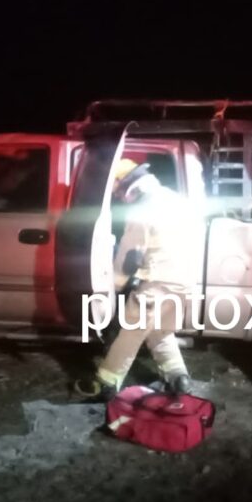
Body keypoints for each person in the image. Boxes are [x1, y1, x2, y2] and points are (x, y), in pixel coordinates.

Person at [73, 159, 203, 399]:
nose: (121, 198)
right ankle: (178, 377)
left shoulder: (143, 208)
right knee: (160, 332)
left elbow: (130, 256)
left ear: (128, 186)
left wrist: (114, 287)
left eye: (119, 192)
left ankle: (106, 382)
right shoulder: (175, 199)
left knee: (130, 333)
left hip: (157, 283)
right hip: (184, 282)